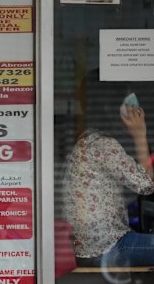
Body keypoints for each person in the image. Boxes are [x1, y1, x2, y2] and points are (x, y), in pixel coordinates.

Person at [64, 70, 154, 268]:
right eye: (130, 105)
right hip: (107, 249)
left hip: (94, 247)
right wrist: (140, 134)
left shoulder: (89, 140)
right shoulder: (103, 145)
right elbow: (146, 186)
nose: (136, 110)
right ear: (109, 106)